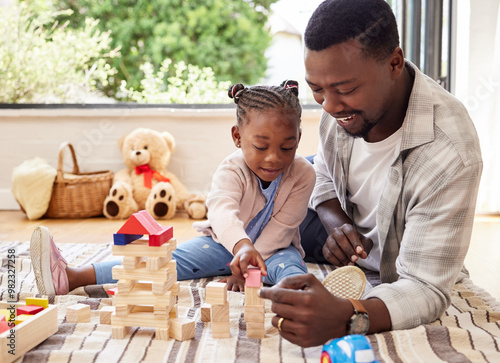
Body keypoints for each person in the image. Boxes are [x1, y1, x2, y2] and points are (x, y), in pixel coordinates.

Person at [258, 0, 483, 348]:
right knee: (254, 202)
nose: (329, 107)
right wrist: (335, 222)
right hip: (341, 241)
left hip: (394, 266)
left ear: (394, 63)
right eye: (317, 89)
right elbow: (323, 171)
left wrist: (347, 316)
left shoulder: (449, 150)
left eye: (345, 90)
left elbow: (425, 287)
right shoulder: (338, 106)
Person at [30, 80, 316, 296]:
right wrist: (240, 248)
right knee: (164, 260)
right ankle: (74, 276)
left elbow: (282, 227)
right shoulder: (232, 170)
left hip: (275, 249)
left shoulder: (303, 173)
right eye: (261, 146)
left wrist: (249, 268)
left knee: (291, 268)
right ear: (238, 137)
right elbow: (223, 212)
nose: (274, 157)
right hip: (222, 244)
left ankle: (298, 297)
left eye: (287, 146)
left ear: (298, 138)